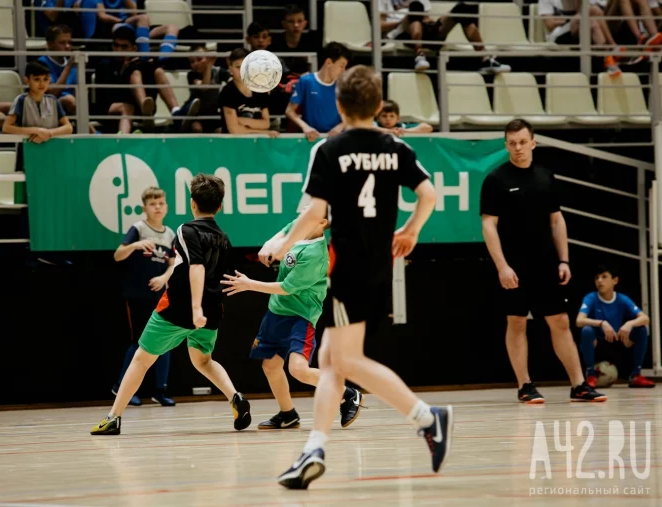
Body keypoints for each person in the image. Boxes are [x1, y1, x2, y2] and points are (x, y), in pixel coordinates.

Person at [266, 65, 452, 489]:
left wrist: (283, 244)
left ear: (338, 104)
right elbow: (428, 193)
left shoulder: (329, 150)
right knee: (330, 361)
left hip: (349, 269)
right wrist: (412, 229)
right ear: (380, 106)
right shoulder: (396, 147)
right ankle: (313, 449)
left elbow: (314, 213)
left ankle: (428, 417)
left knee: (346, 361)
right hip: (376, 268)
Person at [91, 174, 252, 435]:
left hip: (180, 308)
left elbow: (197, 267)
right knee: (203, 361)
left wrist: (196, 308)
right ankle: (235, 397)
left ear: (192, 204)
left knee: (141, 359)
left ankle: (113, 418)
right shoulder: (224, 238)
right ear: (220, 207)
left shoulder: (185, 230)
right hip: (212, 311)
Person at [479, 118, 607, 404]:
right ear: (506, 145)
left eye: (523, 142)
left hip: (546, 263)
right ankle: (525, 385)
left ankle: (578, 385)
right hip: (513, 265)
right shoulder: (496, 180)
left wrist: (564, 260)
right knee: (517, 322)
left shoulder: (546, 176)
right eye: (512, 143)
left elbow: (556, 220)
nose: (518, 148)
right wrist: (502, 266)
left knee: (560, 321)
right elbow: (488, 225)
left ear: (533, 143)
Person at [220, 213, 363, 430]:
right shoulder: (301, 225)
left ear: (322, 222)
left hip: (300, 315)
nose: (301, 215)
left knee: (299, 370)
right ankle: (288, 414)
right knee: (270, 366)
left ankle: (348, 394)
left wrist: (249, 284)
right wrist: (268, 245)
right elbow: (284, 231)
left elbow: (286, 288)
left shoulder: (315, 255)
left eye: (309, 212)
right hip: (277, 311)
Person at [112, 187, 177, 407]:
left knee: (165, 343)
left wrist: (164, 277)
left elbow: (174, 264)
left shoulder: (170, 235)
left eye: (160, 203)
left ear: (166, 207)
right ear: (144, 208)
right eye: (152, 204)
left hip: (161, 297)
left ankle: (160, 390)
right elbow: (118, 255)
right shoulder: (138, 229)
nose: (157, 207)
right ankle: (123, 389)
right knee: (139, 343)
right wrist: (136, 245)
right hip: (137, 295)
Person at [379, 0, 511, 74]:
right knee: (416, 7)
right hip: (402, 34)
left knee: (461, 8)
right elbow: (380, 25)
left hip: (423, 31)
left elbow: (424, 18)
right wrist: (401, 21)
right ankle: (420, 55)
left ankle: (485, 59)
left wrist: (433, 23)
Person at [576, 265, 654, 388]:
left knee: (642, 329)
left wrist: (629, 324)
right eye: (597, 278)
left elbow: (645, 318)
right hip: (598, 340)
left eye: (604, 277)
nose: (599, 281)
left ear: (615, 281)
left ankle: (636, 375)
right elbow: (579, 320)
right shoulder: (591, 297)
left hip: (617, 338)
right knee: (586, 330)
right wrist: (602, 323)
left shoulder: (622, 299)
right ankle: (591, 374)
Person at [94, 26, 182, 133]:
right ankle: (126, 135)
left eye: (124, 47)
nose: (118, 50)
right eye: (116, 45)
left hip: (140, 109)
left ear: (134, 48)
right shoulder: (105, 65)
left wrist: (148, 63)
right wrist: (123, 71)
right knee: (128, 103)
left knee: (158, 71)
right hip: (110, 107)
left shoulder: (140, 63)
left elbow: (164, 65)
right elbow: (106, 97)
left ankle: (176, 112)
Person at [537, 0, 624, 76]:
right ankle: (613, 48)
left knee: (593, 21)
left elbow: (582, 14)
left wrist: (568, 18)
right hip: (558, 34)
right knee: (594, 11)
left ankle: (608, 59)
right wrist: (568, 19)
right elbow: (550, 25)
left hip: (577, 27)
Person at [286, 42, 351, 142]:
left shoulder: (343, 85)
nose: (343, 70)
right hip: (311, 139)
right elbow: (289, 111)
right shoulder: (306, 81)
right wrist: (305, 127)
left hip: (336, 139)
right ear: (329, 62)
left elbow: (350, 115)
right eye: (341, 66)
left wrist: (340, 127)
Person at [1, 61, 73, 142]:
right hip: (27, 148)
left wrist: (49, 133)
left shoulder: (53, 100)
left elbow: (68, 127)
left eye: (45, 79)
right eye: (37, 79)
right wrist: (37, 130)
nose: (42, 83)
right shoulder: (21, 100)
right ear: (27, 80)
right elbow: (6, 128)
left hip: (52, 149)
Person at [219, 48, 279, 137]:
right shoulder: (227, 92)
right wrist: (263, 132)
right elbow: (235, 130)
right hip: (233, 144)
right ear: (231, 69)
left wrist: (242, 121)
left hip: (257, 144)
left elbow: (266, 123)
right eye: (238, 67)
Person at [175, 44, 226, 133]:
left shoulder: (218, 71)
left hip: (212, 114)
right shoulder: (192, 75)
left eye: (199, 59)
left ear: (207, 57)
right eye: (192, 61)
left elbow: (232, 80)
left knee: (221, 131)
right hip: (196, 115)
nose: (196, 64)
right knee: (196, 128)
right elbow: (204, 87)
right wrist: (209, 66)